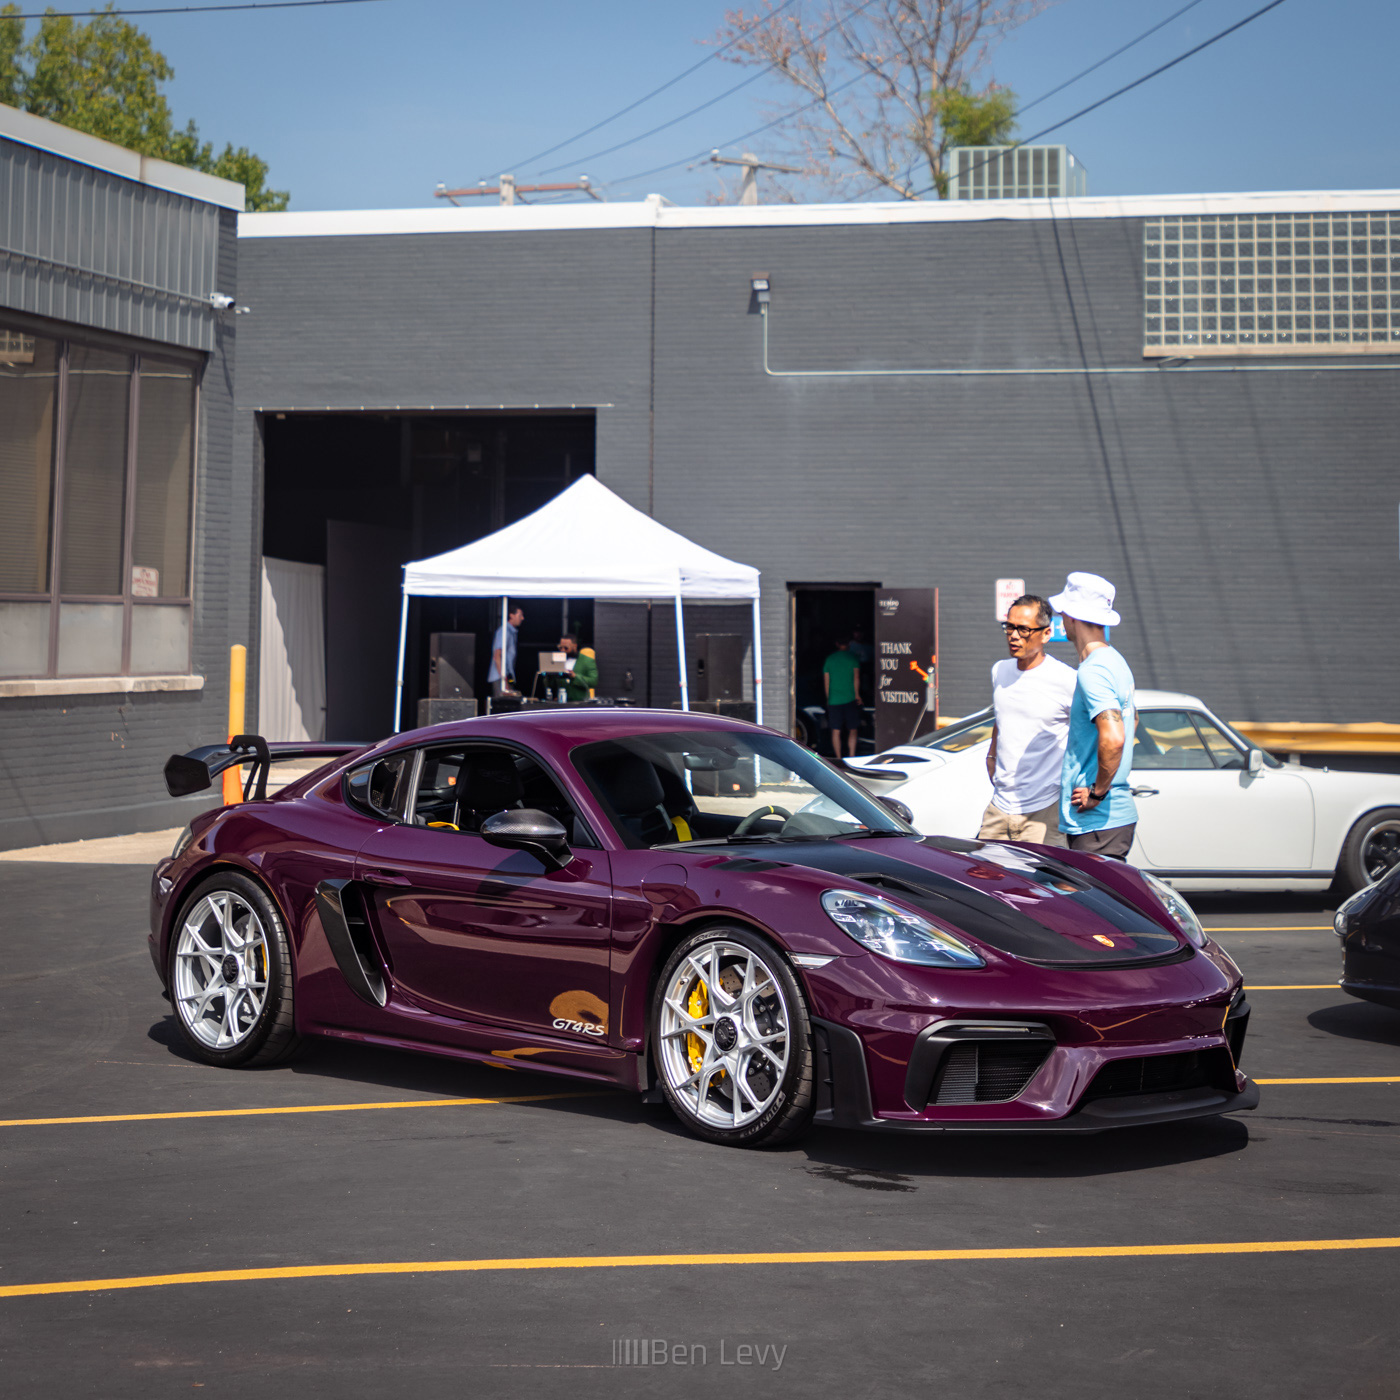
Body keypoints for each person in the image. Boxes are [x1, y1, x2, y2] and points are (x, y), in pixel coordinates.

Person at [1049, 572, 1138, 859]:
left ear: (1071, 616)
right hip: (1109, 822)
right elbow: (1133, 720)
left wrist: (1098, 792)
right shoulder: (1115, 661)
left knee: (1088, 904)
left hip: (1096, 822)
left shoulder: (1093, 671)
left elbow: (1114, 738)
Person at [979, 594, 1076, 846]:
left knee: (1047, 885)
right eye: (1009, 627)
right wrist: (991, 755)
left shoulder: (1066, 679)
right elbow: (1003, 717)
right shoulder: (1000, 670)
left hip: (1044, 810)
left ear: (1045, 634)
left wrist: (1089, 783)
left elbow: (1093, 730)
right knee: (985, 881)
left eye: (1023, 629)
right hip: (999, 807)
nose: (1013, 635)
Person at [822, 637, 862, 759]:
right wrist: (857, 695)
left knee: (836, 730)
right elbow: (856, 678)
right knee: (853, 729)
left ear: (837, 643)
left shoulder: (829, 659)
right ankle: (851, 755)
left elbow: (826, 681)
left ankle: (838, 758)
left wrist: (828, 698)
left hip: (834, 700)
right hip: (850, 698)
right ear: (849, 643)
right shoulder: (852, 658)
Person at [488, 605, 524, 698]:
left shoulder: (512, 632)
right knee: (502, 703)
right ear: (511, 615)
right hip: (501, 677)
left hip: (508, 675)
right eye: (520, 615)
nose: (522, 618)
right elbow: (497, 656)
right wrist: (503, 680)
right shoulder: (504, 631)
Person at [558, 634, 598, 702]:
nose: (562, 650)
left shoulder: (587, 661)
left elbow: (593, 681)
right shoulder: (558, 660)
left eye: (566, 648)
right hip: (560, 702)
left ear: (575, 646)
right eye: (560, 648)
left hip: (580, 702)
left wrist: (575, 676)